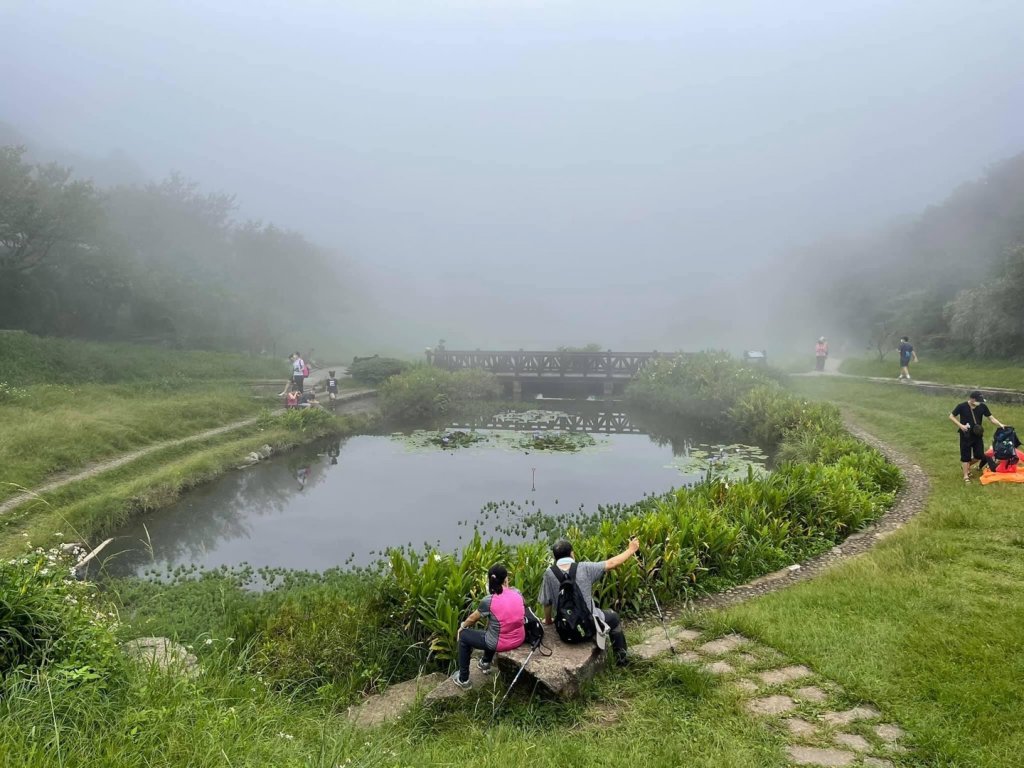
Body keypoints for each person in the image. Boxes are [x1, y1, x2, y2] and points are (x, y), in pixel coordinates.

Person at [538, 536, 639, 667]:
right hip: (589, 627)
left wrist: (548, 621)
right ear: (572, 553)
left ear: (554, 557)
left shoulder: (549, 573)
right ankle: (622, 660)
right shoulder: (584, 568)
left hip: (565, 630)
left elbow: (547, 603)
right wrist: (631, 550)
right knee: (614, 618)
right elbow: (612, 563)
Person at [451, 563, 527, 690]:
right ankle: (485, 662)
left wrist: (462, 626)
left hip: (500, 643)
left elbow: (472, 619)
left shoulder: (489, 600)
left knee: (464, 636)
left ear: (490, 580)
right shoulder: (517, 593)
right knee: (495, 626)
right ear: (506, 579)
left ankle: (463, 679)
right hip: (519, 638)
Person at [949, 391, 1005, 483]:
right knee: (965, 456)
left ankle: (966, 466)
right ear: (971, 399)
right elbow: (951, 416)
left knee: (979, 455)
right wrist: (961, 426)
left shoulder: (982, 407)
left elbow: (991, 418)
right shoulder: (962, 406)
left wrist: (1000, 424)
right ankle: (966, 476)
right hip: (966, 435)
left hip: (977, 435)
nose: (979, 403)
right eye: (978, 401)